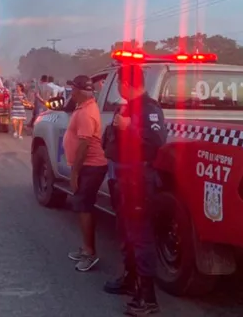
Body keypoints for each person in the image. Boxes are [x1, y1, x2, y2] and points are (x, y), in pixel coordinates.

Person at [102, 64, 167, 316]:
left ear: (126, 84)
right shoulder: (127, 106)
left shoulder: (148, 108)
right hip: (122, 180)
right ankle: (131, 280)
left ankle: (148, 299)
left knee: (140, 237)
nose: (118, 88)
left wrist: (127, 127)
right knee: (126, 234)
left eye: (119, 83)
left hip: (139, 180)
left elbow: (155, 143)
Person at [63, 76, 108, 272]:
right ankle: (86, 248)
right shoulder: (84, 107)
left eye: (73, 89)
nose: (71, 92)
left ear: (81, 91)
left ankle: (90, 253)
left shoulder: (86, 112)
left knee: (84, 207)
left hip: (91, 166)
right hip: (88, 166)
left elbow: (84, 144)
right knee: (82, 206)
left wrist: (74, 173)